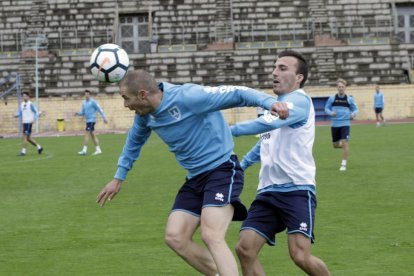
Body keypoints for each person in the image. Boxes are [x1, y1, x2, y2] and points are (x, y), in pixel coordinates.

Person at [95, 70, 289, 276]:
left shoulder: (189, 96)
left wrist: (270, 102)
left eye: (126, 98)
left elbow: (237, 93)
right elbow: (133, 142)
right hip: (195, 178)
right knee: (175, 236)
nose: (126, 105)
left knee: (211, 235)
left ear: (142, 94)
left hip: (222, 170)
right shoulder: (145, 117)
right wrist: (118, 178)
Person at [231, 50, 331, 276]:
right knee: (245, 249)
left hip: (297, 189)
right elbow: (266, 140)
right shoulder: (275, 104)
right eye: (274, 67)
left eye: (283, 68)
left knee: (300, 255)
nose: (274, 72)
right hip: (267, 191)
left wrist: (228, 132)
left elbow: (263, 126)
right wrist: (243, 164)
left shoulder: (299, 101)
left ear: (299, 78)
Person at [324, 79, 358, 171]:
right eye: (339, 87)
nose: (341, 88)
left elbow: (355, 109)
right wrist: (331, 113)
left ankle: (343, 164)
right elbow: (326, 108)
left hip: (345, 124)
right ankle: (345, 146)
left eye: (342, 87)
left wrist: (353, 114)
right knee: (335, 145)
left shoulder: (349, 99)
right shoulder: (332, 98)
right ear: (337, 88)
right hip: (335, 125)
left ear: (345, 88)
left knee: (345, 142)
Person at [75, 89, 108, 156]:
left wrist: (104, 118)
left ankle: (84, 150)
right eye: (85, 94)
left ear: (90, 95)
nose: (86, 95)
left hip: (92, 120)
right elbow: (83, 112)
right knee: (93, 135)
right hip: (88, 121)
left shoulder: (93, 102)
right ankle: (98, 149)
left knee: (86, 134)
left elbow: (100, 109)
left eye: (87, 94)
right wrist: (78, 113)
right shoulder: (84, 102)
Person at [15, 92, 43, 156]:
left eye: (25, 96)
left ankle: (23, 152)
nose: (24, 97)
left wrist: (34, 120)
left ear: (28, 97)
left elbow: (36, 112)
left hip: (28, 122)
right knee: (28, 138)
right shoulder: (22, 104)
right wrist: (16, 115)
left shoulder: (31, 104)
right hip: (24, 122)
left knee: (24, 137)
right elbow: (20, 112)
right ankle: (39, 147)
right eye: (23, 96)